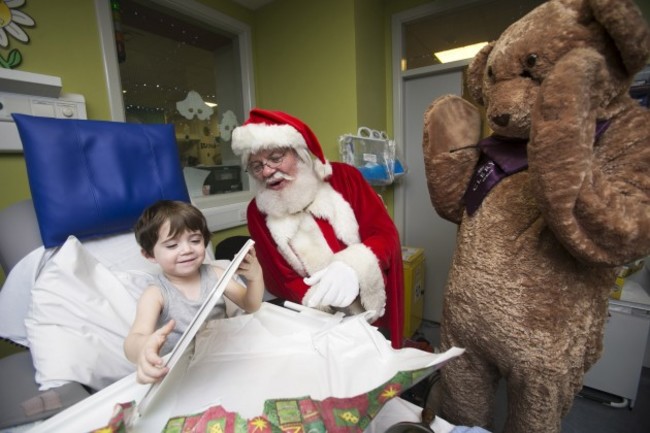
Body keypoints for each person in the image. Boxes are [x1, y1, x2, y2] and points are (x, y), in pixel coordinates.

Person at [231, 108, 404, 348]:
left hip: (373, 307)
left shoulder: (345, 178)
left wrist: (353, 267)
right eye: (257, 166)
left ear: (299, 153)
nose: (267, 171)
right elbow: (280, 279)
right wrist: (323, 305)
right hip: (317, 325)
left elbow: (385, 235)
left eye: (276, 157)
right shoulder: (257, 212)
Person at [124, 200, 264, 384]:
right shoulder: (156, 293)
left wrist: (255, 276)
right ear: (149, 255)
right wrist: (144, 349)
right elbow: (133, 340)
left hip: (224, 358)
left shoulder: (215, 273)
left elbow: (250, 305)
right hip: (183, 373)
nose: (187, 250)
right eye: (172, 245)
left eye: (195, 241)